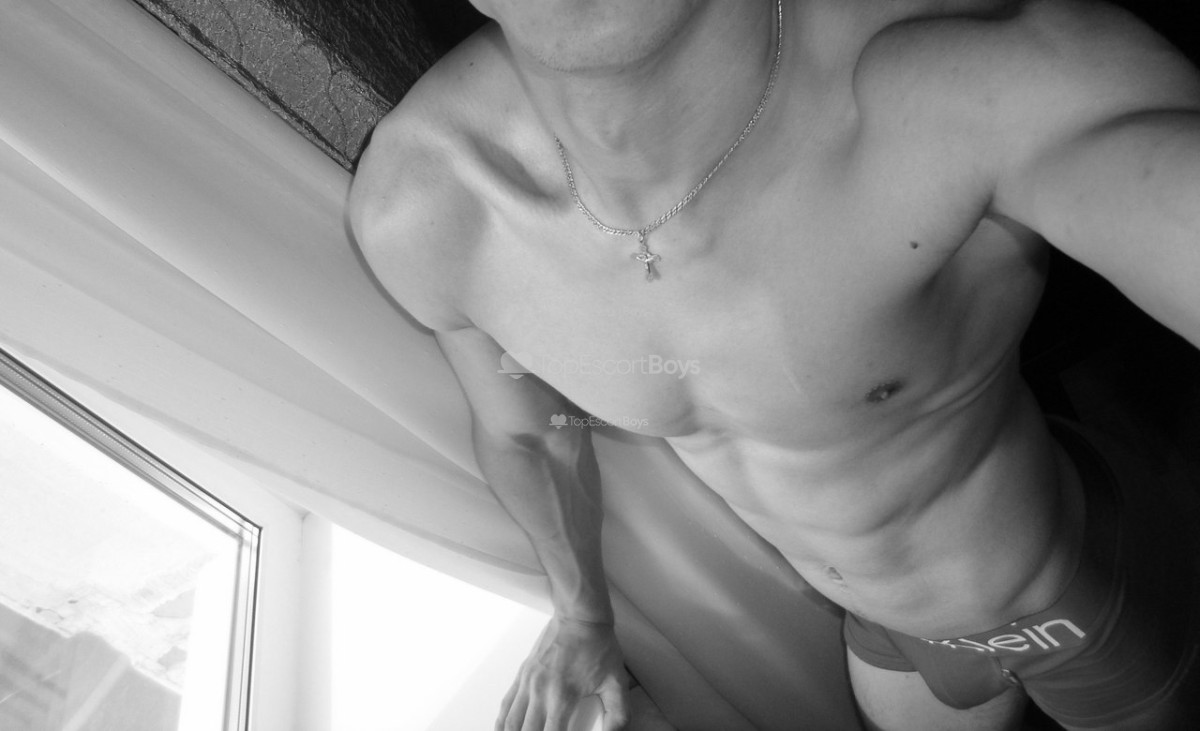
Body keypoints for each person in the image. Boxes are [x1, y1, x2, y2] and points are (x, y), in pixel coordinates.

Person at [348, 0, 1200, 728]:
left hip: (1061, 602)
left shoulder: (964, 75)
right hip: (881, 632)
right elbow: (529, 436)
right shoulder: (427, 209)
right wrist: (582, 617)